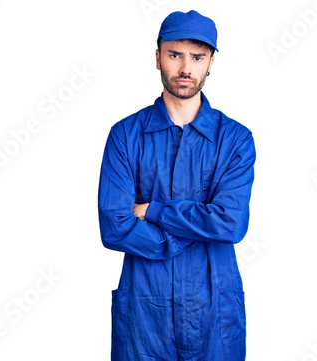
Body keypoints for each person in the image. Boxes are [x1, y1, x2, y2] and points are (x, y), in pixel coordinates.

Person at [98, 10, 256, 361]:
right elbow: (114, 226)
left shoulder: (235, 140)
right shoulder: (125, 136)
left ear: (211, 62)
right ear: (157, 58)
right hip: (145, 308)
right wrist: (193, 232)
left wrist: (154, 211)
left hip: (214, 306)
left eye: (197, 57)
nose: (186, 67)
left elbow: (230, 223)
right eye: (175, 54)